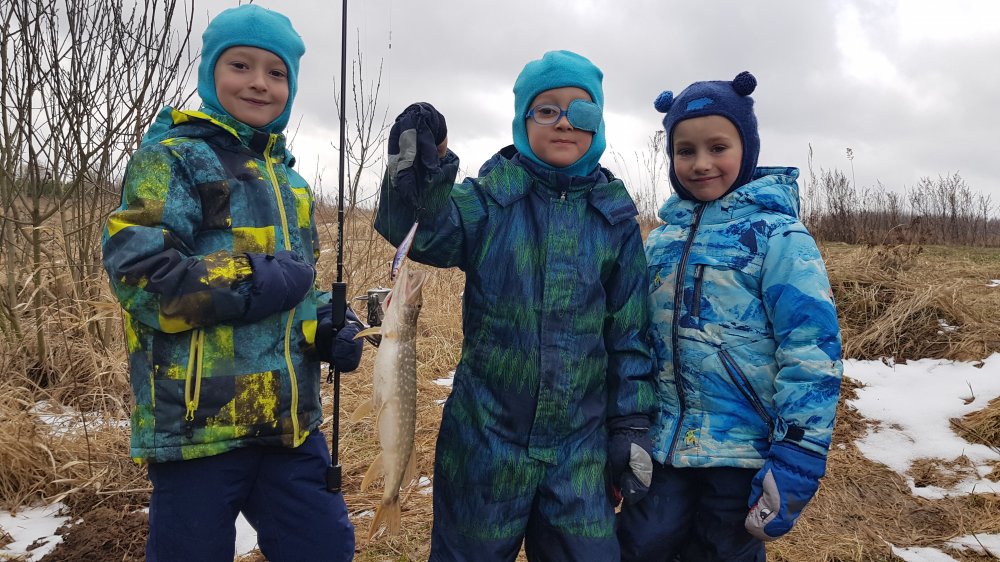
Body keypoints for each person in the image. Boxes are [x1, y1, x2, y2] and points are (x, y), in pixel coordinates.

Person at [101, 5, 363, 561]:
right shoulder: (171, 159)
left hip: (289, 425)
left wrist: (326, 324)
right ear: (210, 72)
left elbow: (296, 287)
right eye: (240, 65)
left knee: (325, 548)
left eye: (276, 72)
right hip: (197, 428)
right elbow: (142, 277)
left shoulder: (291, 182)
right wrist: (253, 279)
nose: (259, 83)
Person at [374, 50, 658, 561]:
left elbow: (630, 335)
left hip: (580, 451)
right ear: (523, 121)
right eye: (546, 110)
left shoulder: (614, 218)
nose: (564, 122)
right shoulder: (489, 200)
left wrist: (632, 425)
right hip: (483, 445)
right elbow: (419, 233)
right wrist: (419, 172)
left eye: (581, 111)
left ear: (599, 122)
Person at [616, 71, 844, 561]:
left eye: (718, 147)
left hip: (741, 452)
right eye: (686, 150)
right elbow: (634, 338)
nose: (701, 163)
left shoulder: (778, 237)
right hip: (665, 446)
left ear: (748, 148)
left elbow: (812, 351)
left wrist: (798, 453)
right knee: (639, 546)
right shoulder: (661, 240)